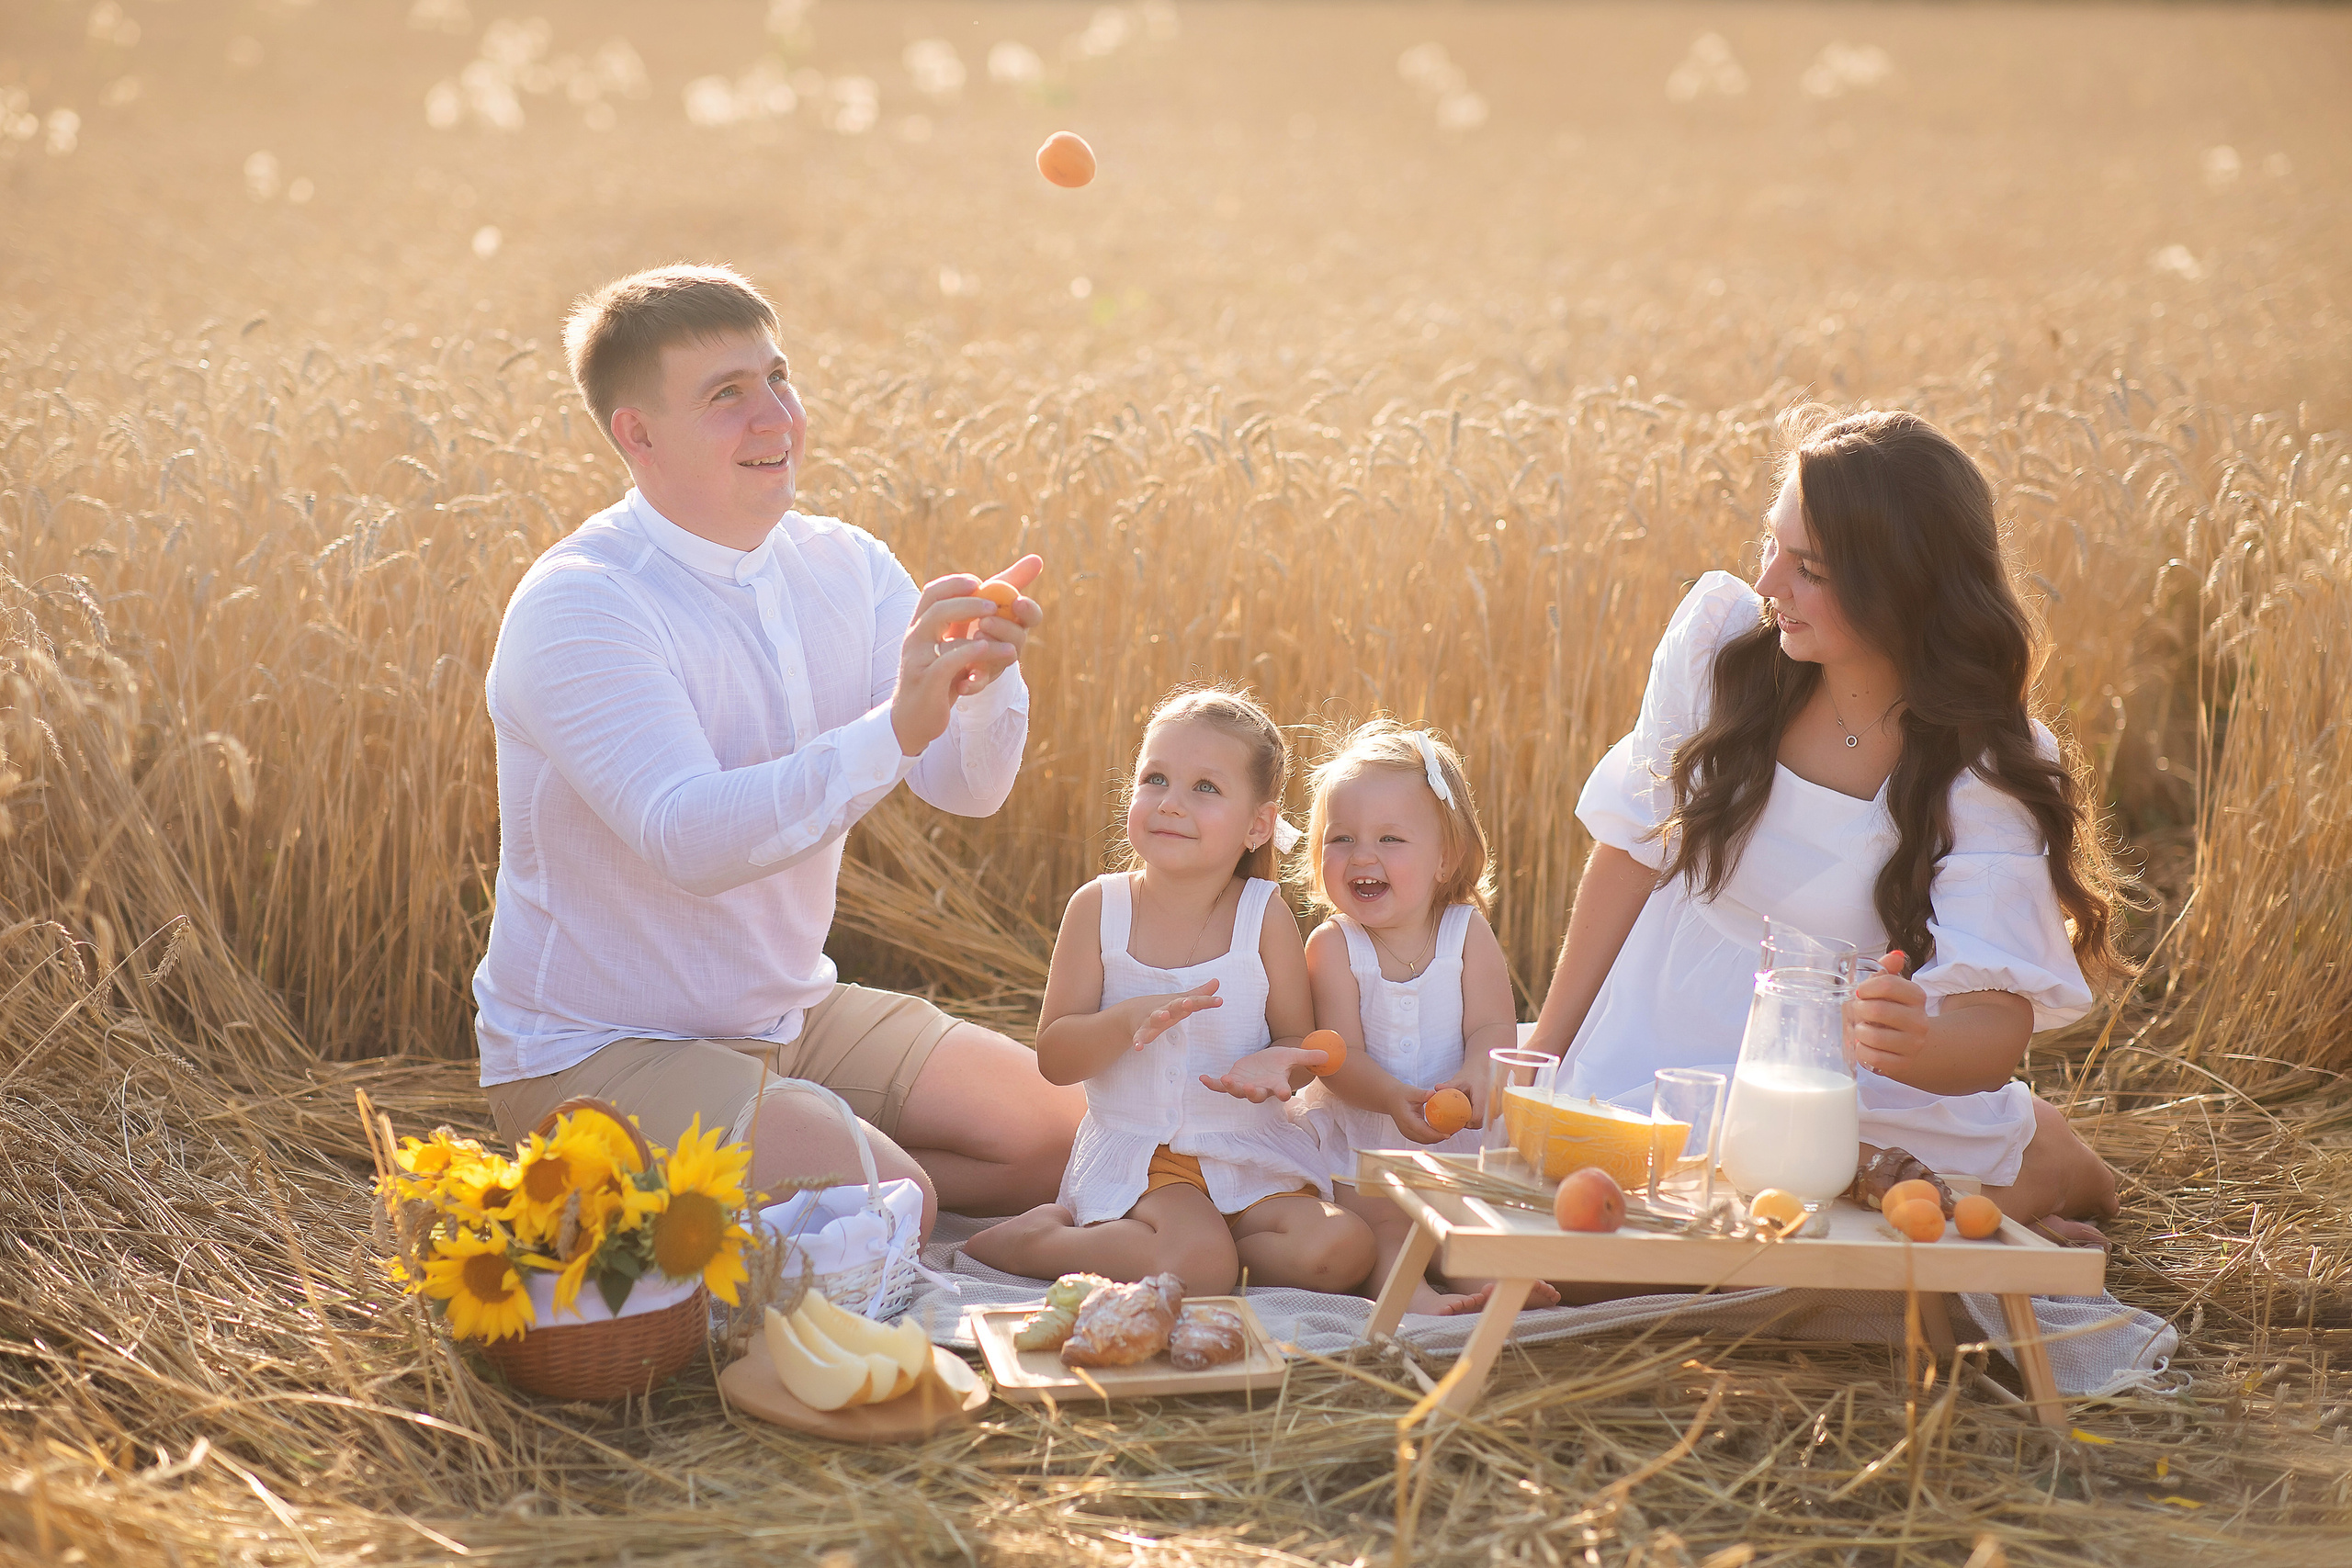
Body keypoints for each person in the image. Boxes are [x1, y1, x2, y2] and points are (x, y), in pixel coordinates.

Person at [472, 264, 1084, 1232]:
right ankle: (790, 1187)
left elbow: (966, 789)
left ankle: (800, 1175)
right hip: (601, 1053)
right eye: (727, 397)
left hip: (793, 1018)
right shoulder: (582, 605)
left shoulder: (845, 565)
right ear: (636, 434)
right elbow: (690, 840)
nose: (776, 418)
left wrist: (982, 680)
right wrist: (892, 728)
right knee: (883, 1199)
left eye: (778, 378)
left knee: (1062, 1135)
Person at [1529, 406, 2129, 1243]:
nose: (1770, 583)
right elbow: (1627, 854)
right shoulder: (1721, 653)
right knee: (1647, 1211)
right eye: (1771, 545)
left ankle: (2051, 1166)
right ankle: (2015, 1177)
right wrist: (1546, 1059)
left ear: (1903, 587)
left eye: (1808, 566)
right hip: (1661, 1030)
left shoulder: (1979, 764)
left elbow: (1997, 1023)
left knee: (1769, 1222)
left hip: (1832, 1071)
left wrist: (1914, 1035)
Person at [963, 689, 1377, 1295]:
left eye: (1204, 787)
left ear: (1258, 825)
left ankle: (1195, 1254)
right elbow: (1054, 1055)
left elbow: (1296, 1039)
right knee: (1200, 1263)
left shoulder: (1263, 915)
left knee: (1345, 1247)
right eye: (1154, 778)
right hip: (1148, 1161)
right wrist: (1124, 1020)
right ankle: (1032, 1241)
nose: (1171, 803)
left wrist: (1277, 1064)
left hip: (1245, 1152)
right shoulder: (1099, 909)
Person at [1288, 719, 1557, 1314]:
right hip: (1368, 1142)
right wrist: (1389, 1097)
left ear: (1446, 857)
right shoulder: (1334, 947)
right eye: (1341, 838)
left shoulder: (1466, 933)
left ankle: (1480, 1278)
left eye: (1390, 839)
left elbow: (1492, 1028)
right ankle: (1407, 1292)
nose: (1363, 856)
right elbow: (1340, 1059)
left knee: (1471, 1211)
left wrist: (1475, 1077)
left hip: (1454, 1137)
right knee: (1386, 1222)